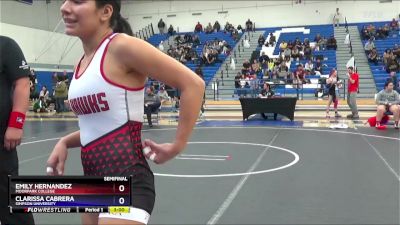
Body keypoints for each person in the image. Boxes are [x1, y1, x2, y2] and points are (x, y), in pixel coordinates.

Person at [47, 1, 205, 225]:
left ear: (105, 11)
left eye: (78, 1)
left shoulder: (121, 47)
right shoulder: (80, 63)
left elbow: (193, 85)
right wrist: (64, 141)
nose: (64, 7)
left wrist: (176, 145)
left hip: (127, 176)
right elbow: (99, 126)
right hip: (92, 181)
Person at [0, 36, 35, 225]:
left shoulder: (5, 45)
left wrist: (16, 124)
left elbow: (22, 84)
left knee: (10, 200)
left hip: (1, 141)